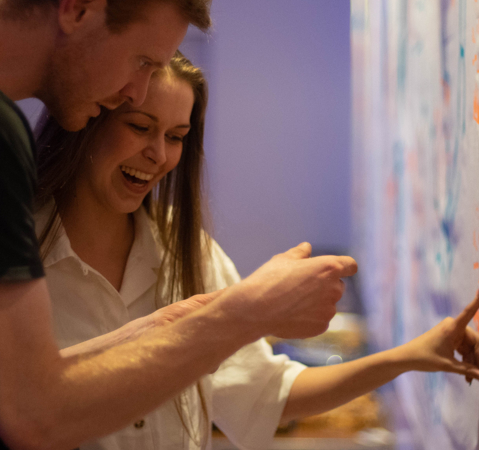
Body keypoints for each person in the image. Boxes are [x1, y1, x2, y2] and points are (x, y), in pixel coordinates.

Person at [33, 53, 479, 449]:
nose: (158, 154)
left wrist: (410, 355)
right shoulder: (22, 252)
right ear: (88, 116)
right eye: (139, 127)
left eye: (176, 136)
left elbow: (266, 392)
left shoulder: (185, 249)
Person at [0, 1, 356, 448]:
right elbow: (33, 412)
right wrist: (249, 311)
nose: (132, 89)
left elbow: (32, 390)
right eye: (143, 61)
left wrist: (163, 327)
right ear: (77, 10)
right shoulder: (16, 178)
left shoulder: (183, 244)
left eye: (177, 137)